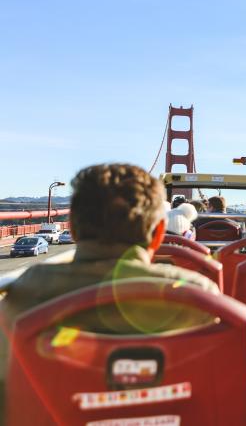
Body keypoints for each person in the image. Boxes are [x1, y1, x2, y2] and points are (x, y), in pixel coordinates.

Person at [0, 164, 220, 416]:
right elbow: (242, 388)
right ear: (159, 233)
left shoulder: (21, 296)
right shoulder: (201, 298)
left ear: (71, 226)